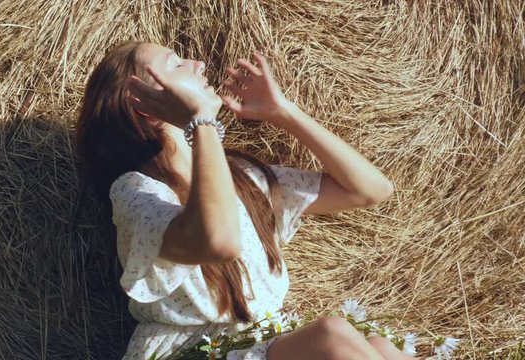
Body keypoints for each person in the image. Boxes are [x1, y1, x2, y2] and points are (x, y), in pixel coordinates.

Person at [75, 41, 414, 360]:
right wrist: (200, 120)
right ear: (144, 104)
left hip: (258, 343)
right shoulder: (138, 192)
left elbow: (370, 190)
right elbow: (218, 241)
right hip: (195, 351)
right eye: (176, 64)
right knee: (331, 334)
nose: (199, 64)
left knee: (382, 348)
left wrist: (283, 112)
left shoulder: (241, 179)